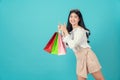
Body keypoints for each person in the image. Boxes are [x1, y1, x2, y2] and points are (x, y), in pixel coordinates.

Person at [58, 9, 104, 80]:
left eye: (75, 17)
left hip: (88, 56)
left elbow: (73, 45)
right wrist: (62, 32)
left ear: (79, 19)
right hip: (79, 58)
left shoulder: (80, 30)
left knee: (100, 79)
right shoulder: (71, 32)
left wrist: (66, 32)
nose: (72, 19)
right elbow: (67, 46)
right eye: (71, 16)